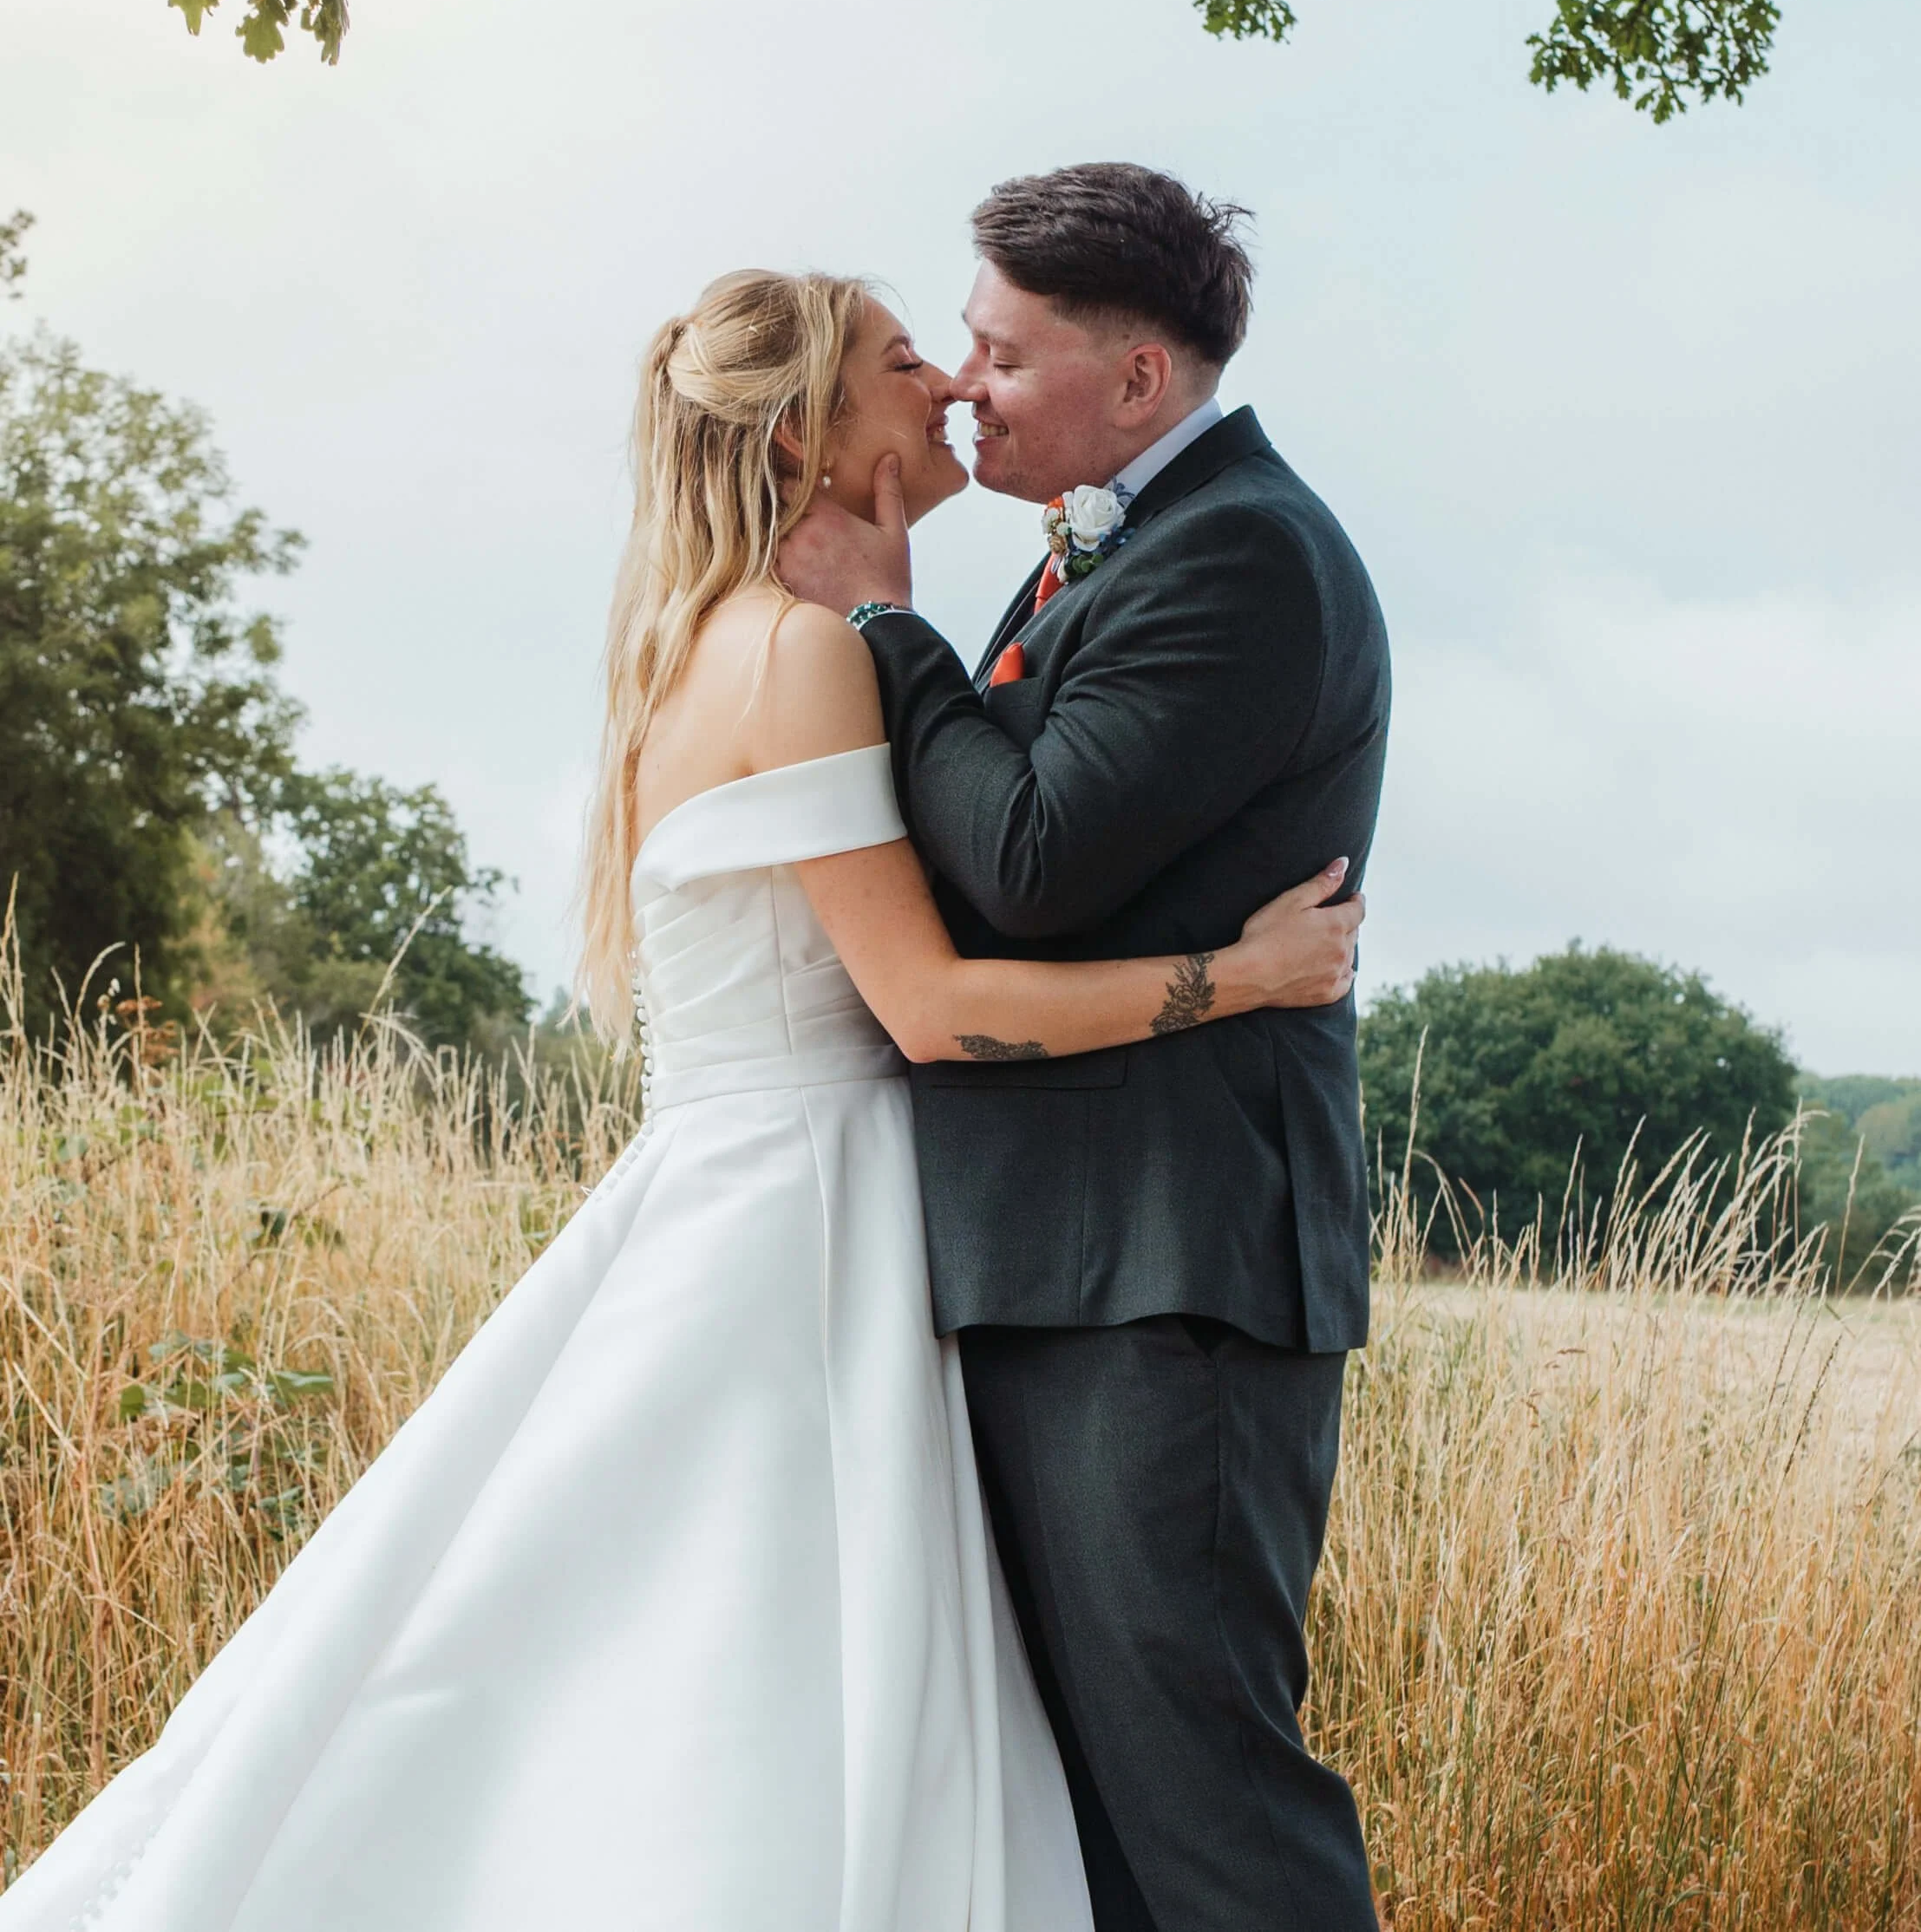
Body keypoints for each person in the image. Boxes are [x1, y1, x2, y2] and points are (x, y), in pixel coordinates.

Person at [0, 267, 1362, 1932]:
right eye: (903, 357)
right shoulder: (801, 652)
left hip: (765, 1197)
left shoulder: (697, 649)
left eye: (968, 350)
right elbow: (931, 1008)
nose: (942, 382)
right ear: (805, 430)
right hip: (807, 1234)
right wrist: (1242, 976)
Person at [779, 165, 1391, 1932]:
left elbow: (1033, 865)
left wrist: (888, 624)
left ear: (1137, 381)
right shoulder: (1126, 543)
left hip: (1168, 1277)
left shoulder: (1246, 554)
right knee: (1098, 1830)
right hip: (1063, 1260)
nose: (964, 382)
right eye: (960, 345)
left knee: (1206, 1811)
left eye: (999, 349)